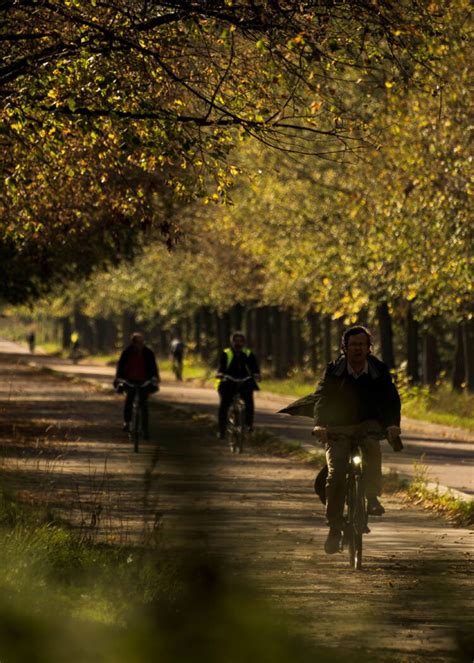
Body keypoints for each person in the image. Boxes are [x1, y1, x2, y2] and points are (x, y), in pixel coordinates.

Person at [311, 325, 401, 555]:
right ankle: (334, 527)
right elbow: (322, 397)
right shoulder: (335, 370)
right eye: (353, 345)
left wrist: (392, 424)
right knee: (337, 472)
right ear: (344, 348)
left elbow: (391, 398)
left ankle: (371, 497)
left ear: (369, 348)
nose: (358, 348)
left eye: (362, 344)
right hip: (338, 427)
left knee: (372, 448)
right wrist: (320, 424)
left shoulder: (378, 370)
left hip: (368, 424)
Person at [114, 332, 160, 439]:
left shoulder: (148, 353)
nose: (140, 344)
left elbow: (153, 367)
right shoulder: (127, 352)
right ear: (133, 343)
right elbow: (120, 366)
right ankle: (127, 422)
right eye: (138, 342)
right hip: (129, 380)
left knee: (144, 405)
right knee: (129, 400)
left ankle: (145, 429)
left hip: (144, 381)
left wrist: (154, 378)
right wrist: (119, 379)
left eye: (142, 342)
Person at [216, 331, 261, 440]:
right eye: (236, 341)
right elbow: (222, 367)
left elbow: (254, 366)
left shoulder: (248, 353)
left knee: (249, 403)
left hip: (244, 381)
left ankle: (248, 426)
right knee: (224, 406)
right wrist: (221, 374)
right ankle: (222, 430)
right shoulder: (226, 353)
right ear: (232, 342)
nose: (238, 343)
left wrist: (256, 374)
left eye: (240, 341)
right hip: (229, 382)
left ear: (244, 342)